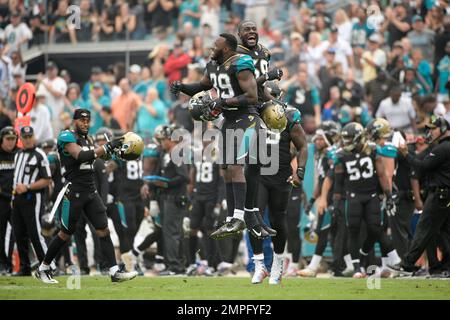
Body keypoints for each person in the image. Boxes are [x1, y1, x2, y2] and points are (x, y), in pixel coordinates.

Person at [170, 33, 266, 239]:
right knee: (225, 169)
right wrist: (183, 88)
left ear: (227, 49)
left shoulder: (241, 64)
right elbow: (203, 86)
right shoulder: (213, 65)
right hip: (229, 120)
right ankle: (232, 218)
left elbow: (252, 96)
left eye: (216, 45)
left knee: (235, 166)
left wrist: (222, 102)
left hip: (247, 118)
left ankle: (240, 216)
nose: (212, 48)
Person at [34, 108, 138, 284]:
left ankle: (114, 271)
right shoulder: (66, 136)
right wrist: (106, 146)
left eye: (88, 120)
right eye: (82, 120)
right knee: (65, 234)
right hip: (74, 191)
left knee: (103, 229)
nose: (85, 123)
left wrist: (117, 150)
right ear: (75, 121)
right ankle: (43, 267)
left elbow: (96, 159)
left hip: (90, 191)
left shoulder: (87, 139)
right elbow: (80, 156)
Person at [249, 103, 308, 285]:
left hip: (280, 175)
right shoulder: (254, 113)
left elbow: (303, 146)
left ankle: (277, 263)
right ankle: (259, 264)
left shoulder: (289, 116)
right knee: (254, 215)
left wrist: (300, 171)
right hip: (259, 174)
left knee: (278, 220)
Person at [333, 122, 398, 278]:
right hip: (353, 197)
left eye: (349, 139)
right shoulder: (341, 155)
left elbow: (382, 175)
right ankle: (357, 268)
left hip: (371, 196)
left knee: (375, 229)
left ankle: (369, 256)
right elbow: (338, 181)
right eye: (345, 139)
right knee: (353, 231)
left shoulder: (373, 150)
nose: (346, 142)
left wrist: (388, 195)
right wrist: (336, 203)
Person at [391, 117, 450, 276]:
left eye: (433, 129)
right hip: (445, 196)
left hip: (439, 195)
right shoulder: (442, 147)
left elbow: (422, 167)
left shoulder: (442, 148)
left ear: (443, 129)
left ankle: (407, 263)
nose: (429, 132)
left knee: (423, 229)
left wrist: (405, 154)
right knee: (443, 232)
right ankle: (442, 267)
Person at [11, 126, 52, 276]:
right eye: (25, 137)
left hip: (33, 198)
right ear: (20, 138)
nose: (28, 139)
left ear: (33, 137)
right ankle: (24, 267)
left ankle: (49, 265)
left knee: (35, 234)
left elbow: (47, 180)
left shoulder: (40, 155)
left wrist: (28, 187)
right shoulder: (18, 155)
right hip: (17, 199)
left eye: (30, 136)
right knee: (19, 233)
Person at [0, 127, 18, 275]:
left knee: (18, 233)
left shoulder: (19, 154)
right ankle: (4, 265)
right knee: (2, 234)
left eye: (13, 139)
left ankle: (22, 263)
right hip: (2, 201)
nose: (11, 142)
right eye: (8, 139)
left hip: (17, 200)